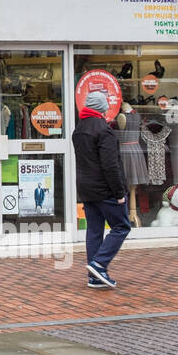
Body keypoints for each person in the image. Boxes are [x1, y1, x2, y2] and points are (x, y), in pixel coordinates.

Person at [72, 89, 130, 288]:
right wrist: (119, 192)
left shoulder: (79, 129)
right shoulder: (104, 130)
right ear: (103, 108)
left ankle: (94, 276)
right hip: (105, 190)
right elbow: (110, 165)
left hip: (86, 189)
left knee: (94, 231)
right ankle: (99, 263)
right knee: (121, 226)